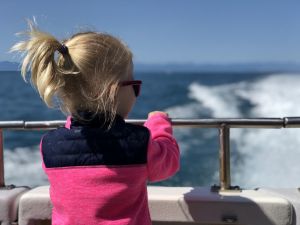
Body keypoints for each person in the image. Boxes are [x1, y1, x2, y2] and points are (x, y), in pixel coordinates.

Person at [11, 20, 180, 225]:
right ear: (113, 91)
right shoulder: (138, 143)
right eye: (135, 86)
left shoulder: (49, 145)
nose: (136, 94)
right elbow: (168, 163)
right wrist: (159, 123)